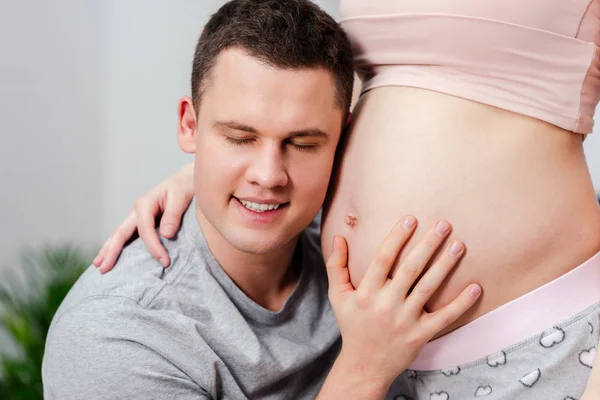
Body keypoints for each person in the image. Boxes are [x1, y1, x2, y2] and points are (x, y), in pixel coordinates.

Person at [95, 0, 600, 399]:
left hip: (540, 340)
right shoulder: (123, 334)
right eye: (239, 136)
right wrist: (217, 168)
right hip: (382, 365)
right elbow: (346, 91)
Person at [42, 1, 483, 399]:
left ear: (344, 142)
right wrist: (365, 368)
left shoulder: (338, 239)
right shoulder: (116, 335)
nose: (269, 176)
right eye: (239, 137)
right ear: (189, 127)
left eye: (303, 143)